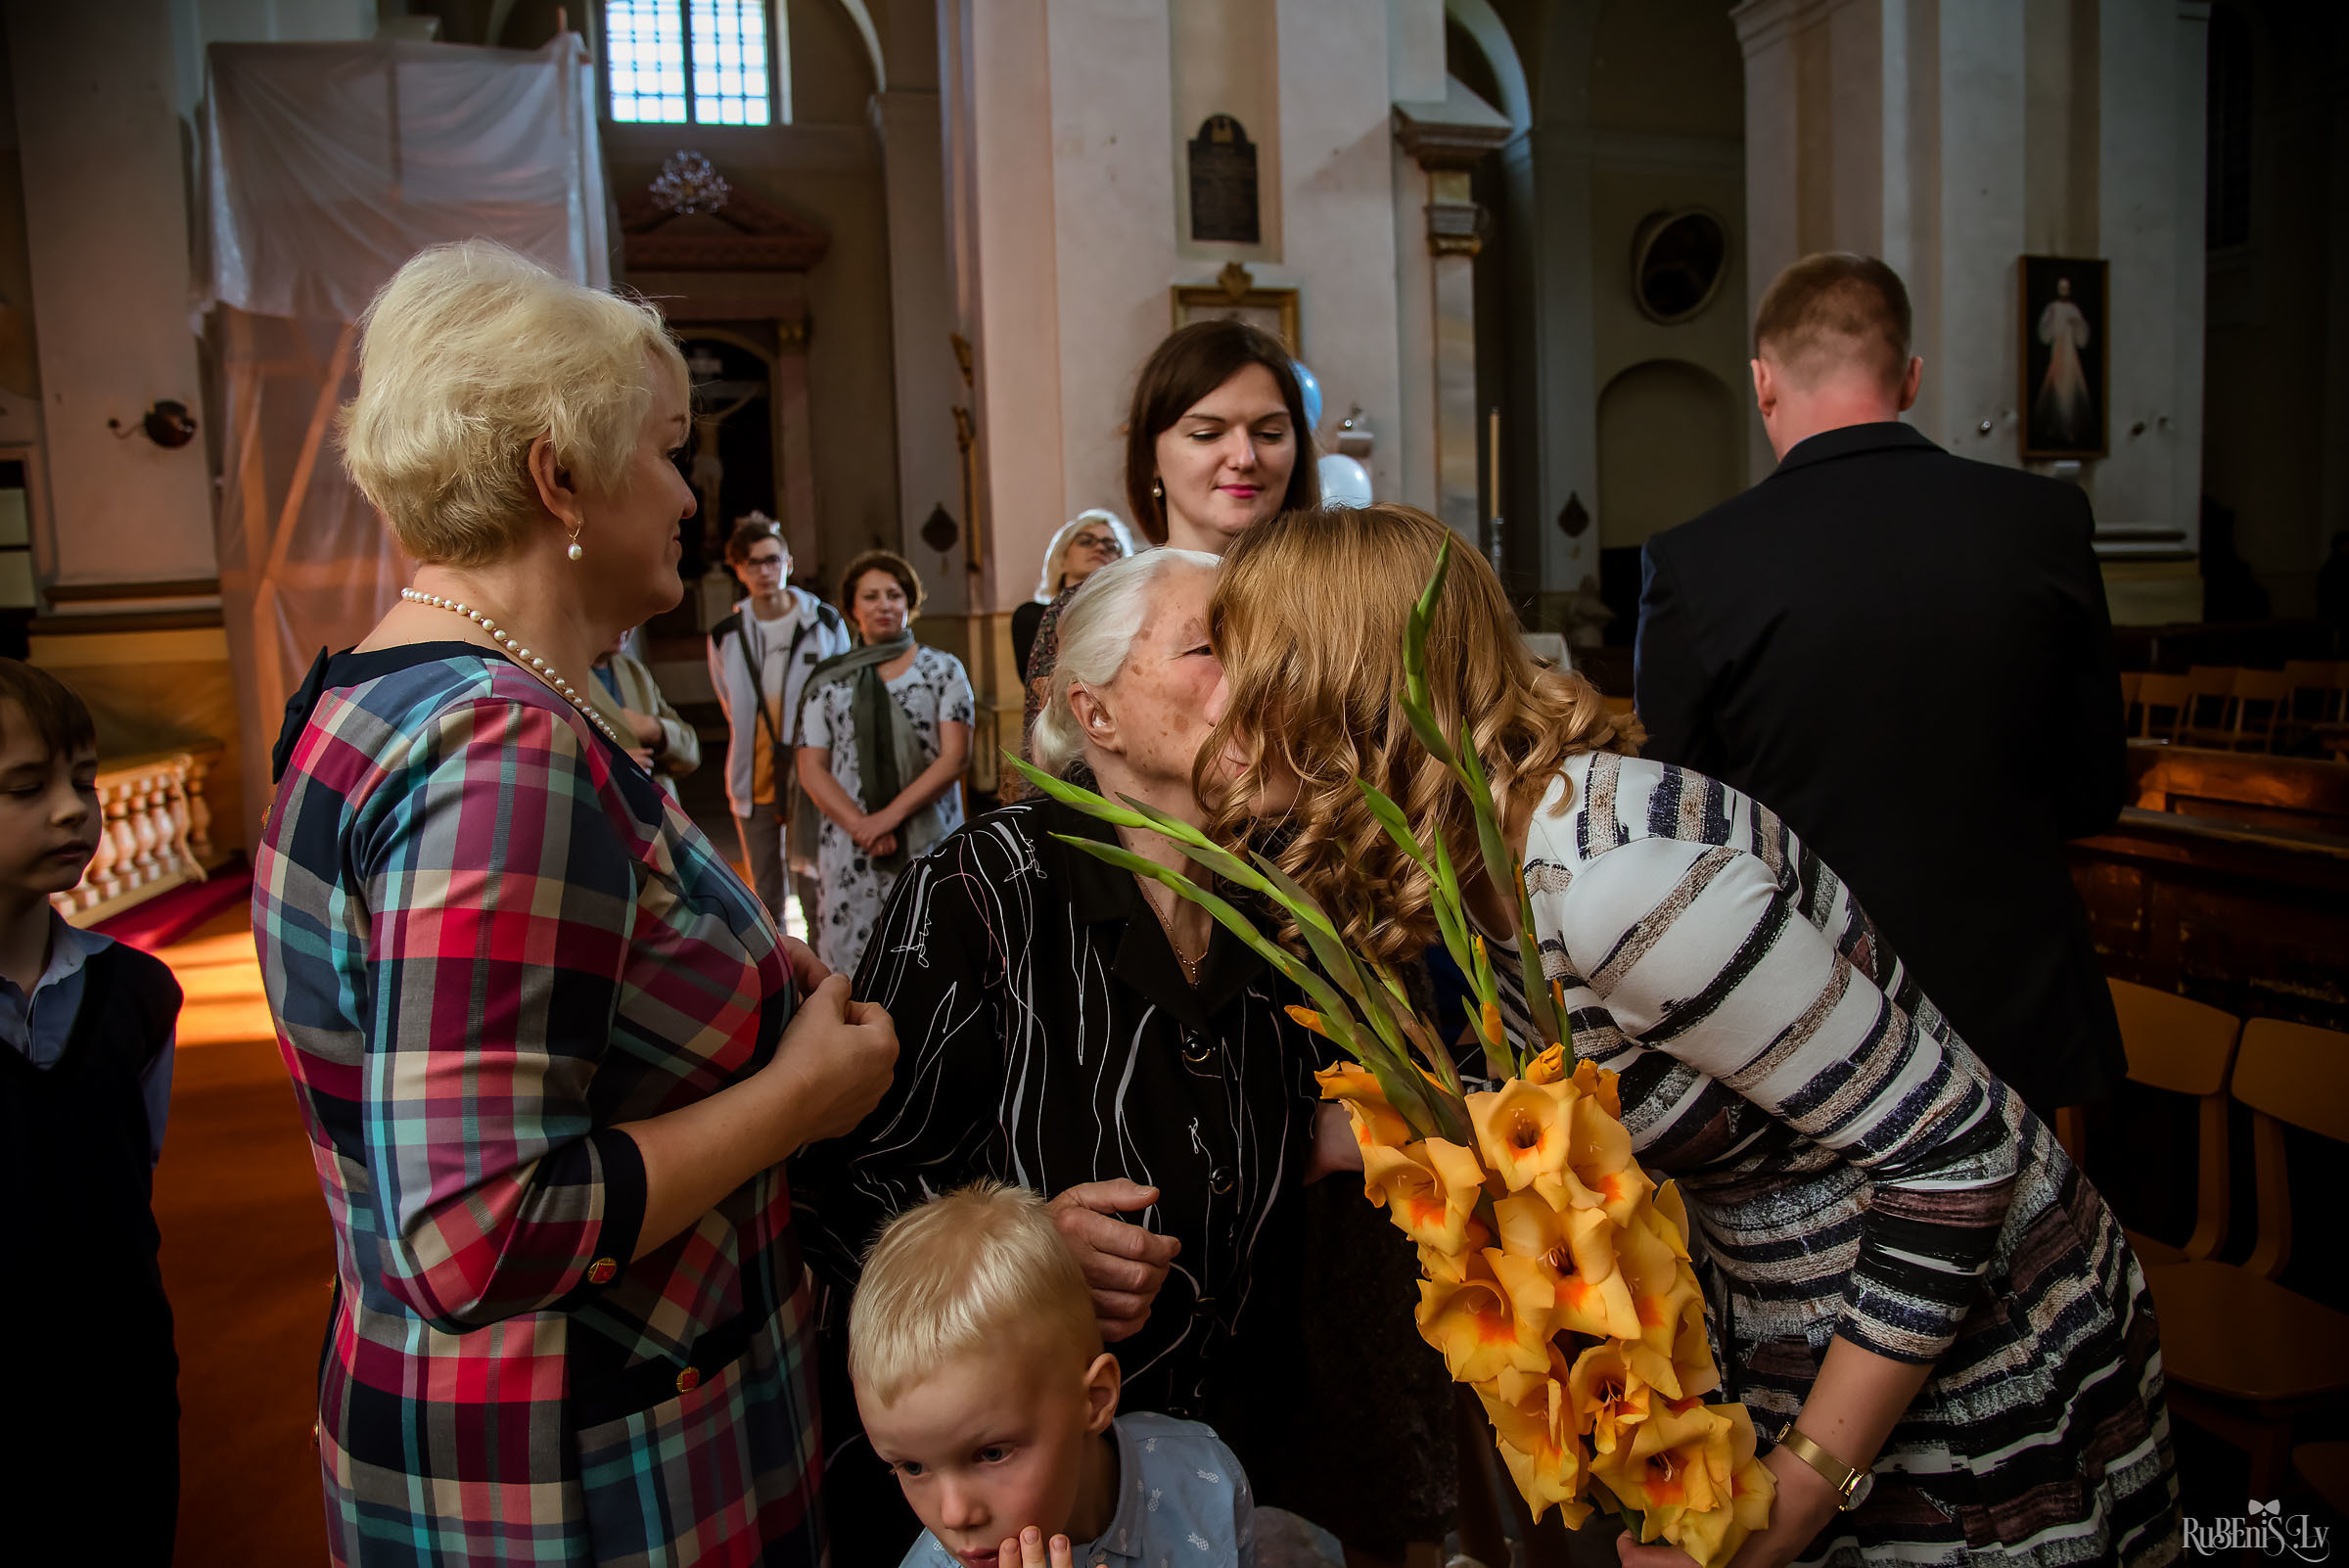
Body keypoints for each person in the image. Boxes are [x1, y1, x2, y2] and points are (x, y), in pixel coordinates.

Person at [1200, 502, 2179, 1568]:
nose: (1219, 713)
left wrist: (1807, 1480)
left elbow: (1955, 1160)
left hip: (1962, 1357)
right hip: (1794, 1321)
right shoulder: (1488, 859)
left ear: (1334, 689)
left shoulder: (1621, 887)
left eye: (1238, 669)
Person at [255, 239, 898, 1567]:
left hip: (505, 1436)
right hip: (582, 1478)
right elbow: (473, 1234)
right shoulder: (503, 746)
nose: (689, 488)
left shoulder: (383, 689)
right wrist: (799, 1095)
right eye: (664, 450)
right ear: (559, 475)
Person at [794, 548, 1393, 1563]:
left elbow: (1255, 1132)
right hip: (1008, 1504)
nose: (1258, 678)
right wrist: (1017, 1257)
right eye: (1212, 649)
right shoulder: (981, 892)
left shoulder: (1282, 893)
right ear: (1097, 713)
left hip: (1216, 1469)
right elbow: (840, 1191)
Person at [1634, 252, 2128, 1125]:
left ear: (1761, 381)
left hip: (1812, 1013)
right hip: (2018, 1003)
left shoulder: (1699, 562)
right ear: (1910, 376)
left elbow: (1687, 822)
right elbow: (2095, 787)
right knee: (2034, 1256)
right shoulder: (2044, 522)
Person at [849, 1182, 1334, 1568]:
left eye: (991, 1453)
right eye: (912, 1467)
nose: (953, 1515)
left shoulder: (1203, 1478)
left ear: (1096, 1398)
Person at [0, 659, 182, 1565]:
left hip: (120, 1373)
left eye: (83, 781)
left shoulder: (138, 991)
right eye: (26, 788)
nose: (74, 810)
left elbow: (131, 1167)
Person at [1009, 319, 1318, 800]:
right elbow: (1051, 800)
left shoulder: (1332, 602)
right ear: (1152, 454)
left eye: (1270, 432)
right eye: (1207, 433)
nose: (1243, 456)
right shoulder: (1082, 614)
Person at [795, 549, 973, 976]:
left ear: (909, 602)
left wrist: (886, 819)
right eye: (871, 596)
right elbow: (811, 767)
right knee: (854, 963)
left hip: (925, 835)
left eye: (894, 594)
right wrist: (861, 826)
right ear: (852, 608)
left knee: (934, 953)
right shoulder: (829, 679)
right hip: (849, 843)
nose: (884, 604)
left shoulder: (943, 669)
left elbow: (955, 758)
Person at [711, 516, 851, 933]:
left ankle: (824, 975)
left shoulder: (823, 622)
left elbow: (841, 696)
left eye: (772, 560)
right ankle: (782, 982)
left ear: (787, 561)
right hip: (754, 773)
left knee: (814, 884)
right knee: (766, 891)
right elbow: (730, 703)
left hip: (814, 771)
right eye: (753, 563)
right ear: (739, 570)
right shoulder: (727, 634)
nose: (765, 571)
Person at [1012, 509, 1128, 678]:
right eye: (1086, 541)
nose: (1100, 547)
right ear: (1062, 559)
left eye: (1111, 546)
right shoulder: (1032, 616)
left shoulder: (1130, 618)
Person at [587, 625, 699, 801]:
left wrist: (657, 731)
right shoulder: (558, 674)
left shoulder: (634, 670)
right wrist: (611, 767)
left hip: (662, 812)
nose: (625, 623)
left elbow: (691, 752)